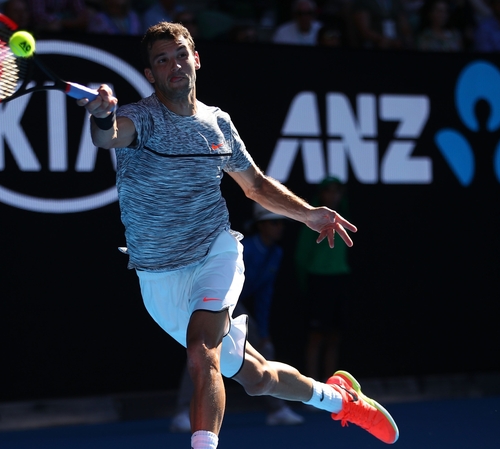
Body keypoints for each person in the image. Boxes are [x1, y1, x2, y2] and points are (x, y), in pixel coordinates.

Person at [77, 22, 399, 448]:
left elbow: (257, 185)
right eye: (161, 60)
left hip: (215, 251)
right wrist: (102, 116)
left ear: (196, 59)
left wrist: (309, 214)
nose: (174, 65)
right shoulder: (140, 119)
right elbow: (109, 136)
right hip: (157, 276)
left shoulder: (218, 124)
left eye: (179, 55)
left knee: (200, 351)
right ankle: (339, 399)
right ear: (151, 74)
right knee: (258, 378)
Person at [169, 203, 304, 433]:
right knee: (201, 350)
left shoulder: (276, 253)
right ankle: (183, 411)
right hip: (217, 297)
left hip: (234, 304)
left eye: (281, 222)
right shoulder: (246, 248)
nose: (280, 227)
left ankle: (276, 410)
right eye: (274, 222)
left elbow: (265, 295)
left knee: (260, 347)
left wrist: (264, 333)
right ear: (261, 226)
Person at [295, 177, 351, 382]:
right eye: (329, 191)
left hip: (339, 281)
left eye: (337, 191)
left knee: (334, 337)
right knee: (315, 337)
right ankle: (313, 388)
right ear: (321, 194)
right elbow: (301, 259)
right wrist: (307, 286)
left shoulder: (345, 219)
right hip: (318, 283)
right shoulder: (311, 224)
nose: (333, 196)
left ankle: (332, 388)